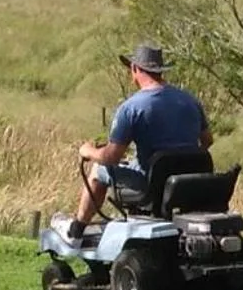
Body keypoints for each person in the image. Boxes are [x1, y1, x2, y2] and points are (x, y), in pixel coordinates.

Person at [66, 42, 212, 242]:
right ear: (161, 70)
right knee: (134, 164)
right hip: (187, 183)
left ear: (135, 69)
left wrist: (88, 151)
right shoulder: (190, 100)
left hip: (152, 185)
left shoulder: (132, 108)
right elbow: (207, 141)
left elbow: (111, 157)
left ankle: (77, 230)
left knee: (98, 172)